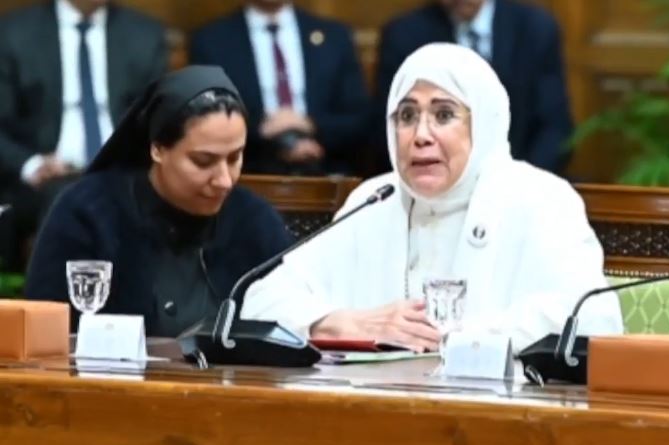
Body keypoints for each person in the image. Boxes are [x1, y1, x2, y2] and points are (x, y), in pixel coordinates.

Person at [241, 44, 622, 353]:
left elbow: (590, 317)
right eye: (406, 116)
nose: (420, 135)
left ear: (483, 122)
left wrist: (451, 340)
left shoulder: (540, 200)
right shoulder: (374, 200)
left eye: (443, 115)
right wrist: (343, 323)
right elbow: (260, 301)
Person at [25, 66, 294, 337]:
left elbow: (291, 326)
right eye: (203, 161)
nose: (224, 180)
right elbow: (43, 332)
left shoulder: (255, 221)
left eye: (235, 158)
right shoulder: (88, 213)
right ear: (158, 148)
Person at [0, 0, 168, 271]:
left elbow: (158, 119)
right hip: (45, 180)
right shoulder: (14, 33)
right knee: (69, 196)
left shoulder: (145, 35)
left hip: (123, 172)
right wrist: (32, 164)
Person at [373, 0, 573, 176]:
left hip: (520, 180)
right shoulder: (404, 35)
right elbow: (390, 127)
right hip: (437, 186)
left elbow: (554, 127)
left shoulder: (535, 28)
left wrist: (519, 182)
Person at [189, 0, 370, 176]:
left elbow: (359, 118)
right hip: (247, 172)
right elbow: (205, 119)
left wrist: (310, 125)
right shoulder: (211, 40)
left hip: (326, 170)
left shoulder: (335, 37)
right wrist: (262, 130)